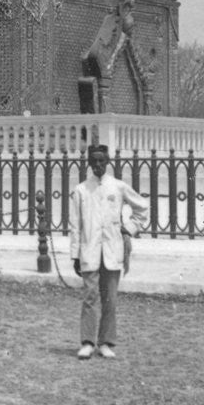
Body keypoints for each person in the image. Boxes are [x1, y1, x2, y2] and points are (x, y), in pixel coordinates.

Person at [69, 144, 148, 360]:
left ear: (108, 162)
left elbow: (142, 208)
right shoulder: (81, 191)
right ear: (89, 164)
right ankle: (87, 342)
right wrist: (75, 255)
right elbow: (75, 226)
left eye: (101, 161)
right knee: (89, 297)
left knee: (110, 299)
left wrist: (129, 228)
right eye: (93, 161)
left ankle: (106, 342)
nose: (97, 165)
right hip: (89, 251)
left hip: (112, 251)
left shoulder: (118, 187)